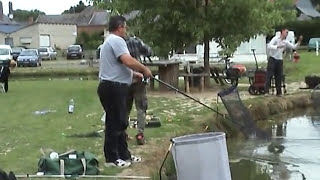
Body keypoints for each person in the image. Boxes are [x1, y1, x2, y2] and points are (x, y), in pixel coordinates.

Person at [97, 15, 152, 168]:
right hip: (113, 87)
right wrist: (144, 69)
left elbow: (117, 65)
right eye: (125, 27)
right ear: (120, 27)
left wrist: (134, 74)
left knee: (121, 122)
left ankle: (124, 155)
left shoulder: (109, 41)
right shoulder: (116, 40)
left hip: (114, 86)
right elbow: (127, 60)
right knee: (114, 123)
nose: (126, 30)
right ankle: (111, 158)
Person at [125, 36, 152, 145]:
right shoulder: (136, 42)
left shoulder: (119, 44)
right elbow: (149, 51)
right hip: (139, 79)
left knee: (125, 108)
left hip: (125, 79)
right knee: (141, 107)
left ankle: (123, 133)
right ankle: (140, 134)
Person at [265, 28, 303, 96]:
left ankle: (279, 92)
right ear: (282, 32)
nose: (287, 34)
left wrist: (299, 41)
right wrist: (277, 46)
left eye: (287, 33)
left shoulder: (286, 42)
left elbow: (294, 47)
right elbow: (269, 46)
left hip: (279, 59)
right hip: (272, 58)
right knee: (269, 75)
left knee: (279, 76)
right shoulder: (276, 38)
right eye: (286, 32)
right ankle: (266, 92)